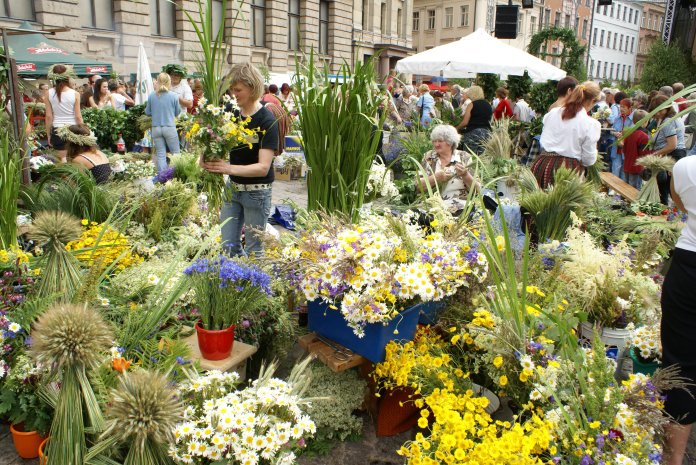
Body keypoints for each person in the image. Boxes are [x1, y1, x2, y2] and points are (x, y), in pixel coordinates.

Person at [202, 63, 279, 256]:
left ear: (252, 88)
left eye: (238, 90)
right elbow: (215, 138)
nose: (233, 94)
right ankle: (236, 283)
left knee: (254, 250)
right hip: (233, 189)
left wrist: (227, 168)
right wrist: (205, 156)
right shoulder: (230, 112)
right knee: (228, 246)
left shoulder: (266, 121)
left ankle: (255, 285)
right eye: (231, 89)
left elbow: (263, 168)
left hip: (257, 193)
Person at [660, 154, 696, 465]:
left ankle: (673, 459)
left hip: (689, 268)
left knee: (681, 366)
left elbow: (681, 206)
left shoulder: (686, 167)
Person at [531, 81, 601, 189]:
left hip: (542, 165)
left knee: (537, 203)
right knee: (562, 205)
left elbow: (544, 139)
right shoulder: (591, 124)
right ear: (592, 101)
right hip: (568, 171)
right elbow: (588, 159)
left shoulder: (553, 113)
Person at [416, 124, 479, 214]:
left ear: (450, 142)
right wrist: (436, 178)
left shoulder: (464, 157)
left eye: (440, 141)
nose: (436, 144)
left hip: (459, 207)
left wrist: (465, 175)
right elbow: (418, 187)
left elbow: (477, 190)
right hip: (432, 207)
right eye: (434, 141)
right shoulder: (429, 157)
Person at [45, 64, 83, 163]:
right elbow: (78, 116)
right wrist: (84, 130)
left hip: (57, 129)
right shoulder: (75, 94)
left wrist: (48, 134)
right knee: (74, 159)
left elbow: (49, 116)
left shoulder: (48, 93)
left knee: (62, 159)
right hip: (73, 129)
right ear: (67, 77)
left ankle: (63, 178)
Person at [649, 95, 682, 205]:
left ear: (667, 107)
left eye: (660, 110)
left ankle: (670, 211)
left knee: (668, 186)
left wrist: (656, 153)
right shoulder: (666, 119)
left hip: (673, 154)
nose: (657, 113)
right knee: (666, 186)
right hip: (670, 154)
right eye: (656, 111)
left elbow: (672, 145)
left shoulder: (668, 121)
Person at [145, 73, 181, 173]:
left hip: (156, 128)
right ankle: (177, 176)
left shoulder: (152, 95)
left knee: (160, 154)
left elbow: (147, 112)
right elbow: (177, 112)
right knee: (176, 153)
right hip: (169, 127)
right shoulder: (173, 96)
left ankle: (163, 178)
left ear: (158, 81)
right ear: (169, 82)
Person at [455, 85, 492, 155]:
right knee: (481, 158)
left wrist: (456, 128)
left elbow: (465, 122)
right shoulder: (488, 105)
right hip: (487, 133)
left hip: (473, 132)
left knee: (469, 157)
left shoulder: (471, 104)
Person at [622, 109, 649, 189]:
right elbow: (644, 154)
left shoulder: (628, 133)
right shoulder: (644, 136)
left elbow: (624, 150)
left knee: (626, 189)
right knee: (634, 191)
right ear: (645, 122)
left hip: (627, 165)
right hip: (637, 168)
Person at [609, 98, 634, 181]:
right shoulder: (617, 118)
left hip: (627, 149)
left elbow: (636, 133)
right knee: (615, 169)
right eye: (620, 107)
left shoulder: (634, 119)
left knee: (624, 172)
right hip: (617, 148)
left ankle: (621, 193)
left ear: (630, 108)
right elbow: (612, 129)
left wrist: (625, 135)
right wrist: (614, 133)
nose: (621, 109)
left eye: (624, 107)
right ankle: (612, 192)